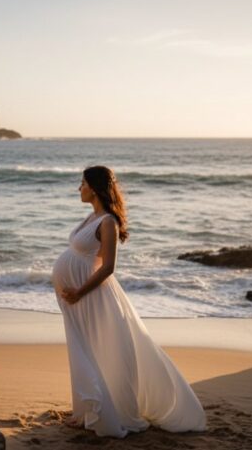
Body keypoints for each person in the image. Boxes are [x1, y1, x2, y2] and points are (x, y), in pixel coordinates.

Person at [51, 165, 207, 438]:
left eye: (83, 183)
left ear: (96, 187)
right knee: (82, 348)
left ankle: (106, 412)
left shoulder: (107, 222)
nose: (79, 188)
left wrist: (79, 291)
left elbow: (108, 267)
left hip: (93, 297)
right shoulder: (91, 218)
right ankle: (87, 410)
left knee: (97, 350)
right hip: (79, 298)